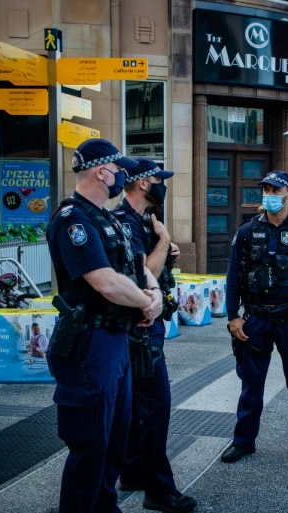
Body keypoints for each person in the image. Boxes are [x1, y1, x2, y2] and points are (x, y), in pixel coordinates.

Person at [46, 138, 163, 513]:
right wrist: (146, 302)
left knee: (115, 440)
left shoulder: (108, 217)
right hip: (89, 344)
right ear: (102, 171)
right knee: (90, 447)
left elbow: (138, 266)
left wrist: (155, 294)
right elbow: (104, 281)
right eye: (119, 171)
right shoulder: (73, 220)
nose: (122, 178)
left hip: (117, 342)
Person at [223, 171, 288, 466]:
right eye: (266, 189)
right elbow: (233, 277)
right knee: (251, 387)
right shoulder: (247, 231)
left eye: (275, 189)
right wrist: (233, 317)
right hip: (255, 319)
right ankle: (243, 442)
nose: (269, 193)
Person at [112, 158, 197, 513]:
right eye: (159, 179)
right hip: (139, 330)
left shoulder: (144, 220)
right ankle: (159, 491)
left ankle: (132, 472)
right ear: (144, 183)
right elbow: (141, 273)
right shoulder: (125, 222)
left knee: (137, 405)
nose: (164, 185)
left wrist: (167, 252)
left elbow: (153, 270)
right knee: (155, 407)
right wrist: (163, 242)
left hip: (146, 328)